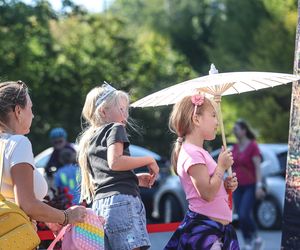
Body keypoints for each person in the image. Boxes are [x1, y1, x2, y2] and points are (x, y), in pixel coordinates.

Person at [77, 83, 160, 250]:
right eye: (121, 109)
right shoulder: (115, 128)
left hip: (100, 207)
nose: (126, 115)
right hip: (122, 203)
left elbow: (106, 177)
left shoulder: (89, 139)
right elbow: (115, 162)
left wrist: (133, 179)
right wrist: (148, 159)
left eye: (126, 109)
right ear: (103, 111)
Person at [0, 81, 86, 234]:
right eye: (30, 108)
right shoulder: (18, 143)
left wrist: (47, 217)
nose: (32, 114)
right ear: (18, 111)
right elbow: (27, 204)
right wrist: (66, 216)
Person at [164, 94, 239, 250]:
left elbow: (212, 188)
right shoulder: (192, 153)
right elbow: (207, 194)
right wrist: (221, 167)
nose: (217, 122)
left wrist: (225, 186)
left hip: (216, 229)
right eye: (213, 116)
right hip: (206, 232)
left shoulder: (198, 152)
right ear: (196, 119)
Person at [232, 119, 265, 250]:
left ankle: (256, 237)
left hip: (250, 186)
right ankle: (248, 241)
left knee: (245, 213)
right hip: (237, 186)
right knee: (240, 215)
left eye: (236, 129)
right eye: (233, 130)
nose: (234, 132)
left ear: (244, 130)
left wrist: (258, 186)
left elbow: (258, 167)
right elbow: (232, 166)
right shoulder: (234, 147)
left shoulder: (253, 146)